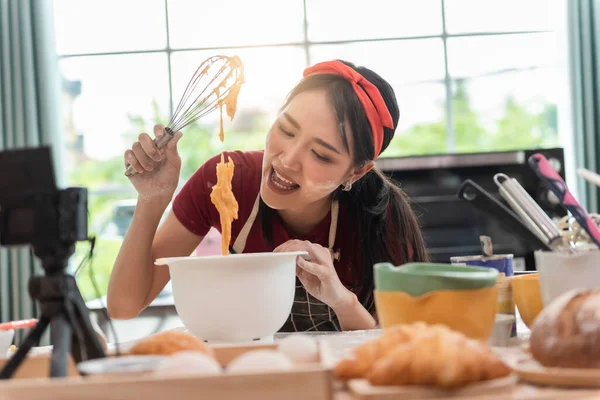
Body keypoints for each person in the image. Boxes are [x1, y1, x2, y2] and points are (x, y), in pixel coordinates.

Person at [107, 59, 428, 332]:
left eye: (320, 154)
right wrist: (152, 200)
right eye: (286, 130)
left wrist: (340, 299)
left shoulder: (381, 219)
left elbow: (404, 346)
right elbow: (124, 305)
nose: (286, 161)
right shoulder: (225, 181)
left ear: (355, 172)